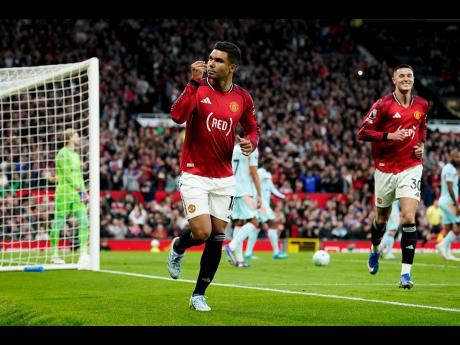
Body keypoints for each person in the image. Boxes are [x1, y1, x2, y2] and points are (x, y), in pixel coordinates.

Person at [167, 41, 259, 312]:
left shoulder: (242, 98)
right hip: (194, 172)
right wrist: (192, 84)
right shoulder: (199, 88)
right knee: (202, 231)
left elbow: (253, 129)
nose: (211, 63)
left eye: (218, 60)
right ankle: (178, 246)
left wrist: (250, 143)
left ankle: (199, 294)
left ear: (232, 67)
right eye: (210, 58)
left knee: (218, 235)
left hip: (224, 176)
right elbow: (177, 116)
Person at [357, 64, 428, 289]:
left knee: (408, 217)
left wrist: (422, 146)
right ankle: (375, 249)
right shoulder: (383, 105)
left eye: (409, 75)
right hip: (385, 169)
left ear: (413, 79)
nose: (406, 79)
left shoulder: (422, 105)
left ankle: (405, 274)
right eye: (402, 76)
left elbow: (421, 129)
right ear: (394, 80)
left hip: (411, 167)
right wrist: (389, 135)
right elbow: (363, 132)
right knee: (381, 220)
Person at [49, 128, 90, 268]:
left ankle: (83, 253)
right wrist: (79, 189)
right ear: (70, 137)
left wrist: (84, 192)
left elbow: (78, 175)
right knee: (59, 222)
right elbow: (66, 174)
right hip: (64, 192)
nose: (79, 137)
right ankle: (54, 254)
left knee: (84, 221)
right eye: (77, 135)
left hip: (77, 193)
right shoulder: (62, 154)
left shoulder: (76, 155)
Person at [223, 141, 261, 268]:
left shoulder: (233, 149)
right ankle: (231, 246)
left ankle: (239, 260)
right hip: (244, 190)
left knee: (239, 223)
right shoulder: (251, 149)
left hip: (232, 188)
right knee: (254, 222)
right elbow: (254, 172)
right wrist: (259, 194)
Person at [244, 158, 289, 260]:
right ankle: (276, 252)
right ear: (267, 164)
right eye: (272, 164)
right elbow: (252, 184)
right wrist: (256, 200)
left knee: (256, 228)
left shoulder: (267, 174)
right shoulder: (260, 173)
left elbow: (272, 189)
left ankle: (248, 253)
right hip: (261, 204)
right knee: (273, 224)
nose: (274, 167)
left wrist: (282, 197)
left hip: (261, 204)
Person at [436, 150, 460, 261]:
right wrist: (456, 204)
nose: (459, 159)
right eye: (457, 157)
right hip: (449, 202)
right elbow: (450, 186)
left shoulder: (450, 168)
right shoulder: (449, 168)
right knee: (458, 225)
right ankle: (442, 245)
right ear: (451, 157)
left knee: (448, 227)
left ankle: (447, 253)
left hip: (444, 201)